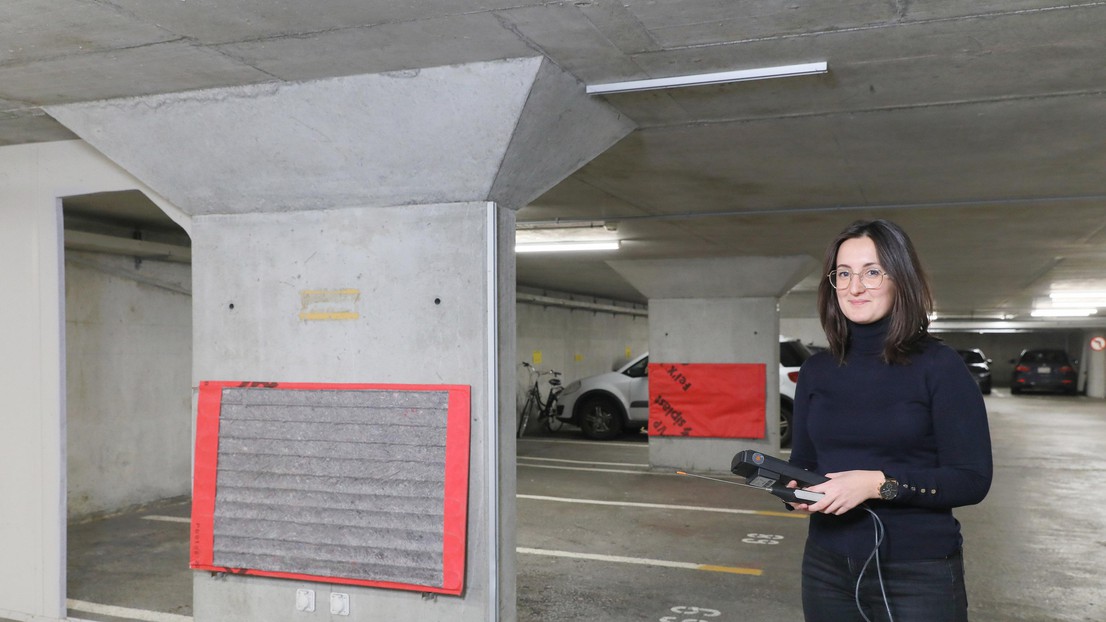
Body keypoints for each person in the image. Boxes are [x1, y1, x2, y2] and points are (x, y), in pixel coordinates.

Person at [789, 219, 992, 622]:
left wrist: (877, 484)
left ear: (900, 279)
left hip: (918, 571)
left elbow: (972, 478)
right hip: (827, 566)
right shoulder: (817, 370)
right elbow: (805, 463)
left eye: (872, 272)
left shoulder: (939, 366)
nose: (854, 286)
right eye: (843, 274)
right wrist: (794, 486)